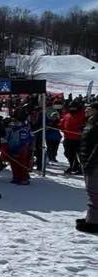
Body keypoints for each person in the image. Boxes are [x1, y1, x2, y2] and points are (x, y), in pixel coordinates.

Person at [76, 100, 98, 233]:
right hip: (88, 162)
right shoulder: (90, 123)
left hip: (94, 164)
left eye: (90, 108)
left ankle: (93, 222)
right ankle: (92, 218)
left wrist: (89, 163)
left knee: (94, 193)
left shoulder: (96, 125)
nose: (86, 109)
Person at [3, 107, 33, 185]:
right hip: (12, 146)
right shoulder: (12, 128)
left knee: (22, 163)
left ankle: (24, 178)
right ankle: (16, 177)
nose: (14, 122)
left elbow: (26, 139)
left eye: (16, 121)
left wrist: (21, 147)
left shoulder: (24, 128)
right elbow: (7, 136)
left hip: (22, 147)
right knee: (13, 163)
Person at [60, 98, 87, 175]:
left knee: (81, 155)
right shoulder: (67, 114)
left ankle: (82, 168)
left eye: (74, 107)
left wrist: (83, 127)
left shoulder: (83, 114)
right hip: (68, 138)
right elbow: (62, 124)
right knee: (68, 153)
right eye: (71, 107)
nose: (72, 108)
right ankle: (73, 166)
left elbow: (87, 123)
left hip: (79, 138)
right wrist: (60, 127)